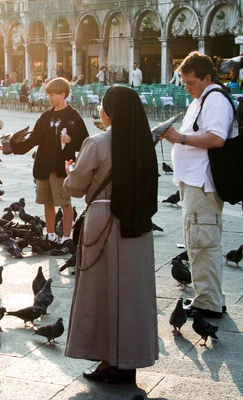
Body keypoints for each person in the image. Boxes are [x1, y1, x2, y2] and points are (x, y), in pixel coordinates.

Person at [63, 85, 159, 384]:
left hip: (104, 221)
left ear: (110, 111)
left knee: (100, 291)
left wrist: (70, 171)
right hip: (137, 225)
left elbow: (75, 187)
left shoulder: (97, 142)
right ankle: (129, 359)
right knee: (132, 293)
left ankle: (107, 361)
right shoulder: (144, 144)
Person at [161, 51, 234, 319]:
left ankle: (208, 302)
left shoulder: (214, 99)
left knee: (202, 243)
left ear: (206, 78)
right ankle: (211, 297)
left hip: (202, 184)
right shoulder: (202, 98)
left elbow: (217, 138)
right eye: (184, 83)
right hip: (193, 183)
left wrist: (179, 139)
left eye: (191, 83)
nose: (187, 88)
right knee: (199, 242)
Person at [3, 77, 89, 255]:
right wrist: (11, 147)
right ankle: (50, 235)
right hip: (43, 166)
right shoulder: (45, 116)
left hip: (61, 167)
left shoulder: (73, 117)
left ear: (62, 94)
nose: (49, 98)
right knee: (47, 203)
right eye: (48, 94)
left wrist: (72, 141)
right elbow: (33, 139)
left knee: (64, 203)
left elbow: (85, 142)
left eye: (52, 94)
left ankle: (66, 238)